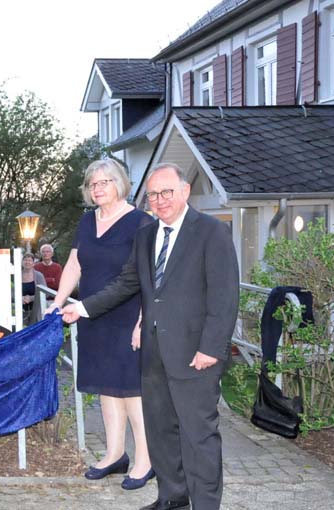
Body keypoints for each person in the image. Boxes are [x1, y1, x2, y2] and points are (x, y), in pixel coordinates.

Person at [59, 163, 239, 510]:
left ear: (184, 192)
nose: (160, 200)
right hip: (154, 353)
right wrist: (81, 308)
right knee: (161, 432)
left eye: (167, 192)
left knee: (198, 436)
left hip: (195, 355)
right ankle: (172, 498)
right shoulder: (146, 235)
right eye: (154, 195)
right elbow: (128, 284)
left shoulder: (211, 232)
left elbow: (225, 295)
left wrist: (211, 349)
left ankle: (205, 505)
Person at [47, 159, 154, 490]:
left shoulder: (141, 221)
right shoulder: (86, 220)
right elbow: (75, 263)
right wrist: (58, 300)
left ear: (120, 183)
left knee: (132, 391)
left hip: (127, 315)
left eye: (104, 182)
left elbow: (147, 278)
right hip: (91, 314)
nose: (97, 188)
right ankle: (115, 454)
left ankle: (146, 461)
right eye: (92, 184)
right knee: (108, 389)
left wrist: (142, 322)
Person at [21, 252, 45, 326]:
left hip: (36, 310)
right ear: (22, 262)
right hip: (21, 311)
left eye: (30, 260)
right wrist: (20, 298)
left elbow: (45, 293)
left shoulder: (39, 275)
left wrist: (30, 298)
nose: (27, 262)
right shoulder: (16, 275)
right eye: (25, 260)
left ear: (33, 263)